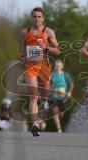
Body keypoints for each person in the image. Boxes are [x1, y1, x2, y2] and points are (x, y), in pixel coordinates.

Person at [19, 7, 60, 136]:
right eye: (34, 16)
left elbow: (58, 51)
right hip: (30, 66)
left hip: (44, 66)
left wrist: (45, 46)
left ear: (43, 18)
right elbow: (23, 50)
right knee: (33, 96)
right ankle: (35, 125)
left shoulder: (48, 31)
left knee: (44, 98)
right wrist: (22, 57)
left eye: (39, 17)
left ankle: (45, 104)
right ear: (31, 18)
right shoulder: (25, 32)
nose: (36, 19)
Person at [50, 60, 74, 133]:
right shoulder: (52, 75)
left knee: (61, 113)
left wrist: (69, 92)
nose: (58, 67)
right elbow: (48, 84)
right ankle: (59, 128)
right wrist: (49, 90)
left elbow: (71, 84)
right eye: (56, 66)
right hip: (54, 95)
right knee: (54, 111)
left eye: (59, 65)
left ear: (62, 66)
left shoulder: (65, 75)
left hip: (63, 96)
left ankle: (61, 112)